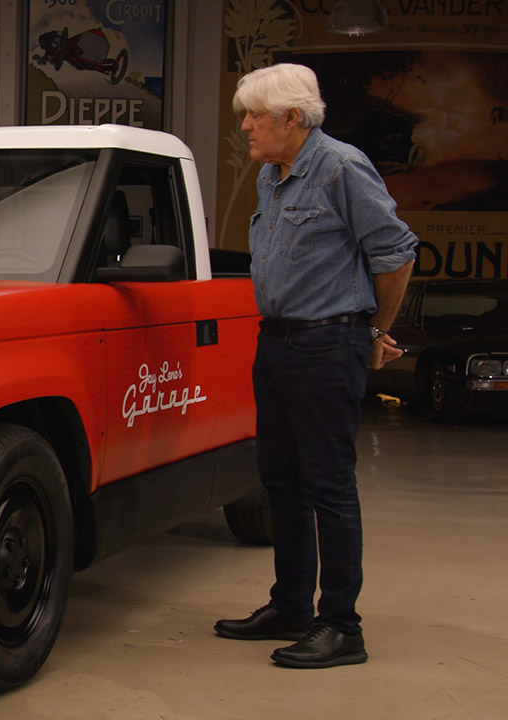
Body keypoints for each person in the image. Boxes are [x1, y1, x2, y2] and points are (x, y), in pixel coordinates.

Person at [214, 64, 417, 669]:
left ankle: (342, 626)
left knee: (328, 483)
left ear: (292, 119)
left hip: (329, 342)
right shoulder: (271, 175)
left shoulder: (341, 167)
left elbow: (395, 253)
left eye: (255, 116)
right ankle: (292, 606)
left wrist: (376, 331)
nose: (246, 127)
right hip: (277, 341)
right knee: (281, 479)